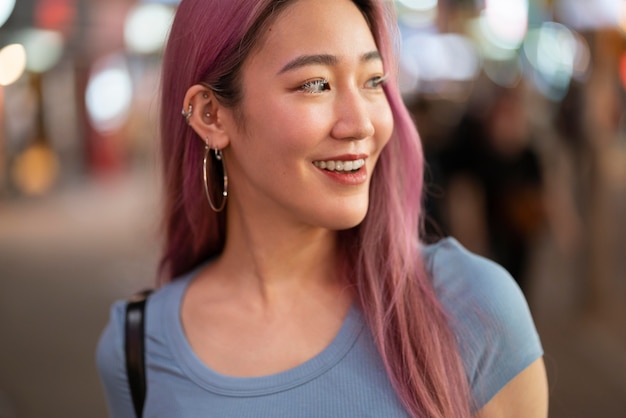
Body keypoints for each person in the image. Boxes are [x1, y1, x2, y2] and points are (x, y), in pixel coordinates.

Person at [96, 0, 548, 417]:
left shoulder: (473, 308)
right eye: (316, 84)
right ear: (211, 114)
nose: (361, 123)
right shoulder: (137, 348)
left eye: (373, 81)